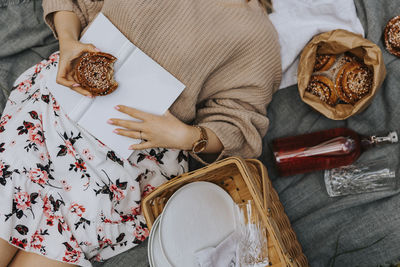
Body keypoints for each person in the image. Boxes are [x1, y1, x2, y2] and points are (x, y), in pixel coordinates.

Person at [0, 0, 281, 266]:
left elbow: (241, 126)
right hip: (57, 111)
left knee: (76, 220)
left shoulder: (257, 37)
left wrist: (186, 136)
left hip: (132, 158)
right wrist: (68, 40)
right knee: (14, 178)